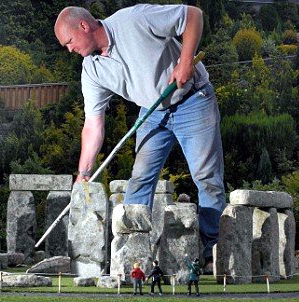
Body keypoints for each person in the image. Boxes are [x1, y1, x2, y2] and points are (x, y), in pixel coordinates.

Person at [54, 4, 226, 268]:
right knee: (140, 180)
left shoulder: (134, 20)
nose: (69, 50)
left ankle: (210, 253)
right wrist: (84, 173)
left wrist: (185, 60)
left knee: (206, 176)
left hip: (193, 99)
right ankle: (132, 252)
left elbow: (193, 15)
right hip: (153, 109)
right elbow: (93, 124)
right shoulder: (91, 69)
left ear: (84, 26)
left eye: (69, 42)